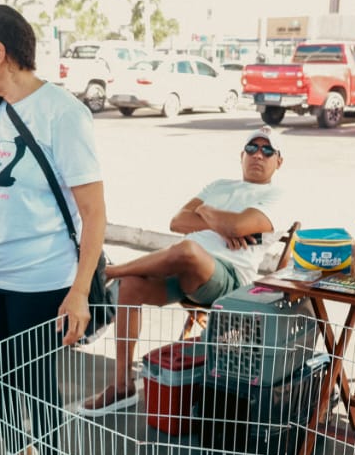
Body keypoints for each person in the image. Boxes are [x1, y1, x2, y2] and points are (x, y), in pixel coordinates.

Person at [0, 4, 107, 455]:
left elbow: (94, 212)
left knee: (35, 381)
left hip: (41, 275)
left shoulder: (62, 113)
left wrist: (79, 290)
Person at [79, 126, 287, 414]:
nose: (258, 155)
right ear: (242, 155)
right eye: (252, 148)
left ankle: (109, 273)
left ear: (278, 161)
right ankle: (122, 385)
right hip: (182, 271)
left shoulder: (278, 196)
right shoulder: (219, 185)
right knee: (131, 285)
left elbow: (237, 226)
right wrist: (222, 225)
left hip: (229, 279)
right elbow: (177, 221)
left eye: (268, 150)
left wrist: (206, 211)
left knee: (187, 249)